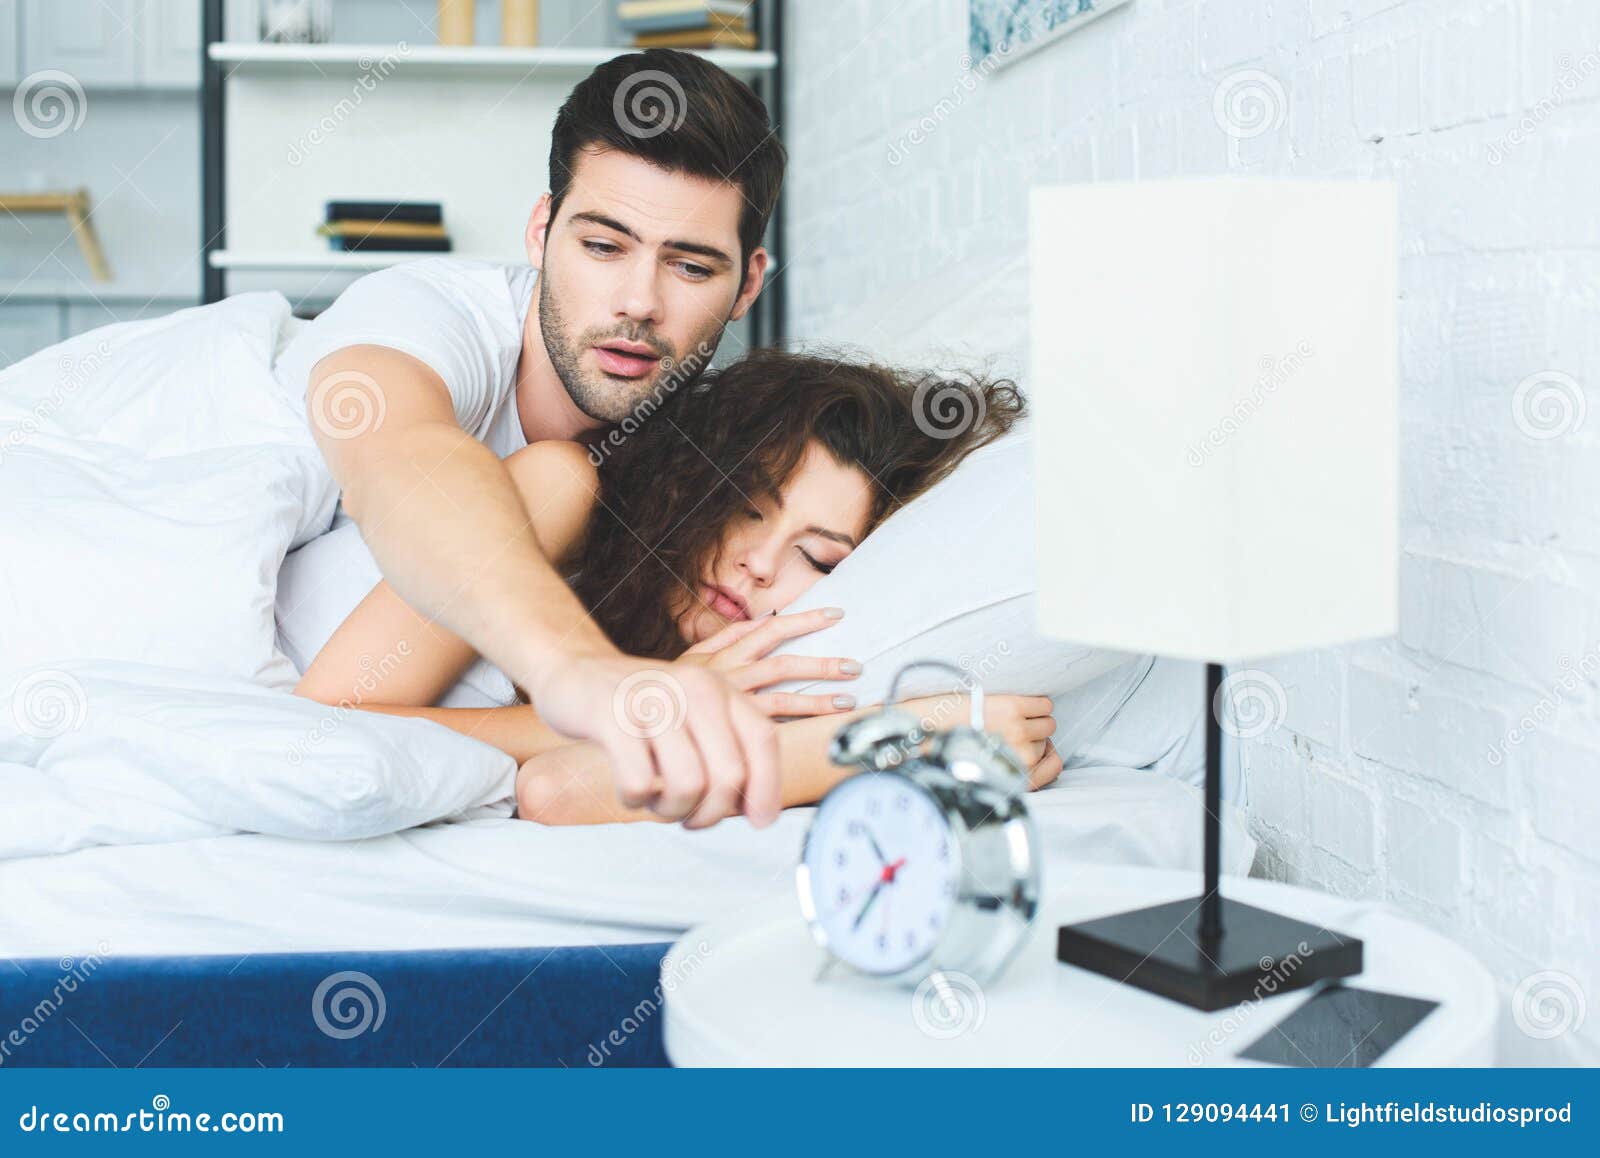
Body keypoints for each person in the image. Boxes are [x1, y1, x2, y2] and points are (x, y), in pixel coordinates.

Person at [285, 50, 788, 829]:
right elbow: (404, 461)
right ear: (540, 232)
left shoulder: (686, 460)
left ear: (747, 286)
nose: (638, 302)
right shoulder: (424, 316)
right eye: (602, 246)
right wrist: (582, 674)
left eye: (690, 266)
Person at [296, 350, 1062, 826]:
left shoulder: (734, 677)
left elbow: (561, 793)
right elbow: (320, 737)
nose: (758, 563)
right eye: (744, 505)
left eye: (819, 561)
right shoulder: (558, 489)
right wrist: (907, 741)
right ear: (688, 480)